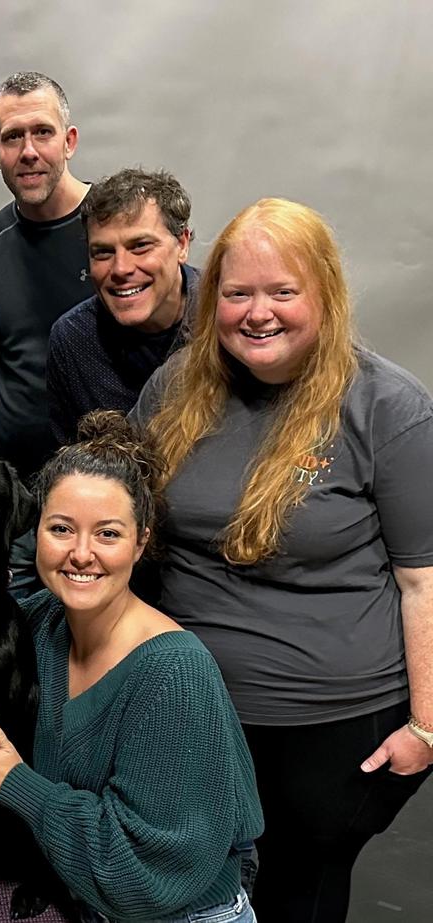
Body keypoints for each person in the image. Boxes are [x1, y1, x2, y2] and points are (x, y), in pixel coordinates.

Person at [131, 198, 433, 922]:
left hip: (333, 727)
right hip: (191, 712)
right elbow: (129, 542)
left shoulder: (389, 407)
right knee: (190, 894)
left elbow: (424, 582)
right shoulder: (174, 391)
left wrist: (427, 727)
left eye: (282, 292)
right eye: (237, 293)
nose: (257, 312)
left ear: (324, 294)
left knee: (298, 890)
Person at [0, 411, 262, 923]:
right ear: (34, 531)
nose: (81, 554)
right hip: (87, 901)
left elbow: (147, 881)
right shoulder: (40, 623)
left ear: (141, 541)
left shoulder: (173, 674)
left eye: (107, 534)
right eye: (61, 528)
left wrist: (15, 784)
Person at [0, 71, 93, 482]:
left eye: (43, 132)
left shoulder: (118, 229)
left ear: (69, 141)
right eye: (13, 137)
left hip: (112, 486)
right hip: (17, 489)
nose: (29, 151)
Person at [47, 169, 198, 444]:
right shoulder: (73, 341)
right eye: (103, 252)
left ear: (182, 244)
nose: (121, 269)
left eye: (140, 246)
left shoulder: (227, 318)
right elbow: (75, 469)